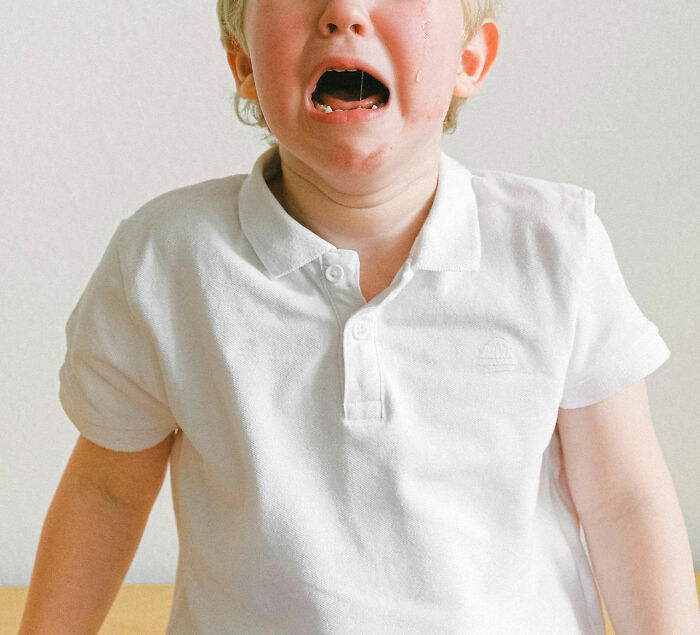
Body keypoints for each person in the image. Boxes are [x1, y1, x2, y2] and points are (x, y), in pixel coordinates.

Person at [20, 0, 700, 633]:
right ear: (244, 64)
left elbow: (625, 500)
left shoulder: (555, 246)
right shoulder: (168, 261)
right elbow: (105, 493)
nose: (343, 11)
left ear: (470, 59)